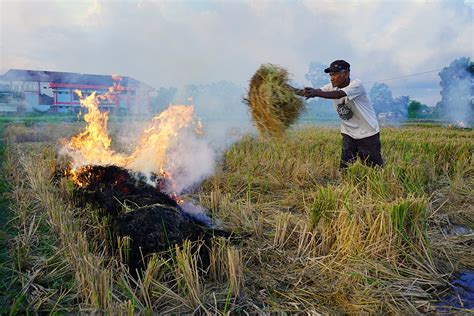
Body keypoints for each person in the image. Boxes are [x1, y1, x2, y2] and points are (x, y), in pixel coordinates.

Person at [295, 60, 383, 169]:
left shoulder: (356, 85)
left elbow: (339, 94)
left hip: (367, 133)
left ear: (346, 73)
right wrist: (287, 89)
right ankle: (346, 184)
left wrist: (316, 93)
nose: (332, 78)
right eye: (331, 74)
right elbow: (312, 92)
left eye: (335, 74)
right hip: (348, 133)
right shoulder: (332, 86)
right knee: (345, 167)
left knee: (374, 169)